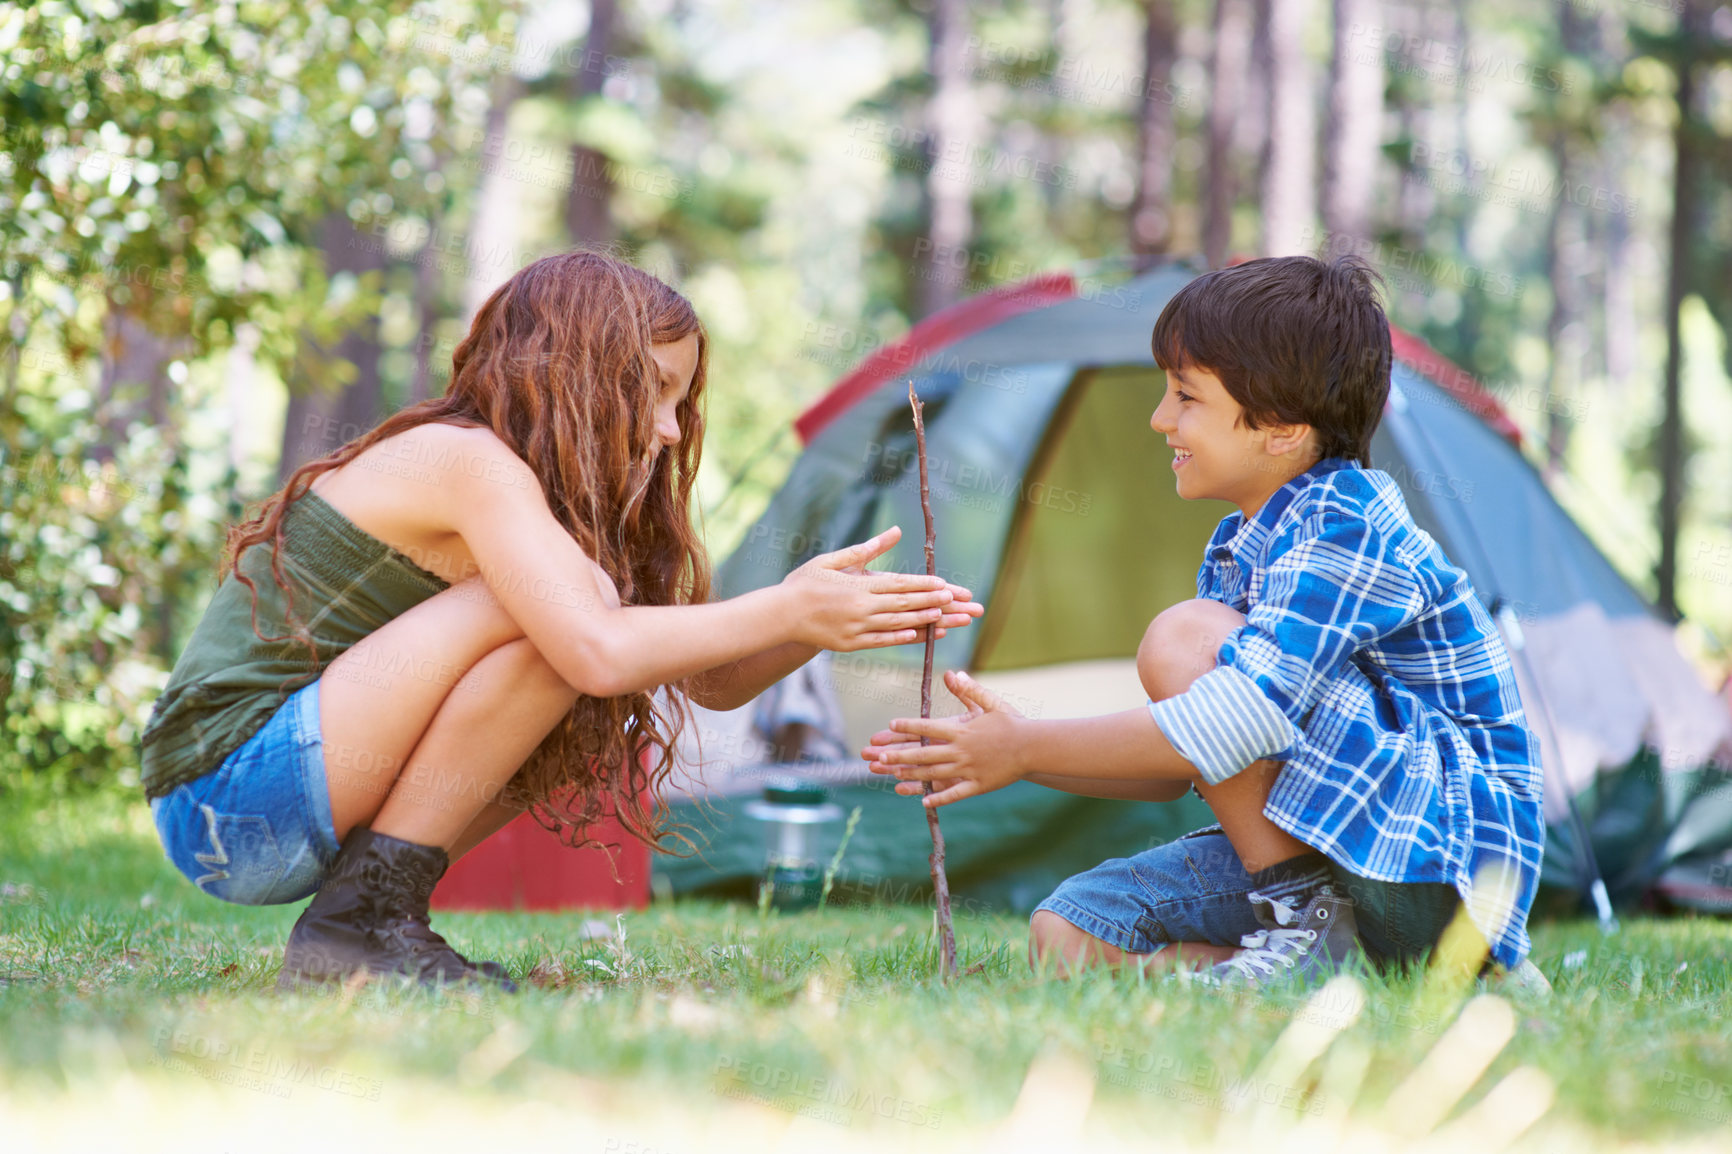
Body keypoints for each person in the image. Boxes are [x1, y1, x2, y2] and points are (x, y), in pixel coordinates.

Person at [141, 251, 982, 992]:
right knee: (578, 631)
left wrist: (812, 620)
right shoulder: (466, 462)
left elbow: (699, 677)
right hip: (226, 789)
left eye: (678, 404)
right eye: (651, 390)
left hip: (265, 813)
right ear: (573, 370)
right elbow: (598, 652)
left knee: (590, 633)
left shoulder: (532, 500)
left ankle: (364, 918)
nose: (664, 429)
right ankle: (356, 929)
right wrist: (783, 606)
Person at [864, 254, 1545, 987]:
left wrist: (1027, 746)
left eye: (1186, 397)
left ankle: (1318, 924)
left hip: (1435, 861)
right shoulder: (1242, 545)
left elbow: (1238, 720)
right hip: (1339, 844)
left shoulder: (1349, 525)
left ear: (1281, 426)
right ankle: (1334, 967)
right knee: (1066, 934)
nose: (1160, 419)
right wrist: (1002, 752)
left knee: (1184, 638)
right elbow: (1184, 764)